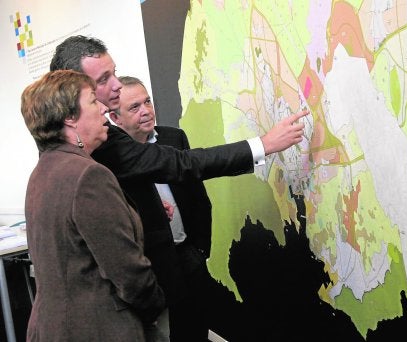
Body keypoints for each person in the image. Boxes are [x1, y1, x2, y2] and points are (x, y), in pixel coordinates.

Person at [50, 35, 308, 341]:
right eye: (104, 79)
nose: (117, 85)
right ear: (74, 93)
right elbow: (182, 165)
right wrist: (263, 145)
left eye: (114, 73)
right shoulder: (91, 148)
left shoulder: (68, 152)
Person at [20, 70, 165, 341]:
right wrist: (156, 305)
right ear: (70, 118)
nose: (103, 108)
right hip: (98, 328)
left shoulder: (44, 170)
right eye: (92, 101)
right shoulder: (88, 175)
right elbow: (129, 274)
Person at [111, 75, 226, 339]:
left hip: (188, 254)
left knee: (195, 328)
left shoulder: (173, 138)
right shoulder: (111, 159)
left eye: (147, 101)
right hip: (150, 265)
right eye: (135, 107)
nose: (146, 111)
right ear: (115, 119)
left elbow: (198, 198)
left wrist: (200, 249)